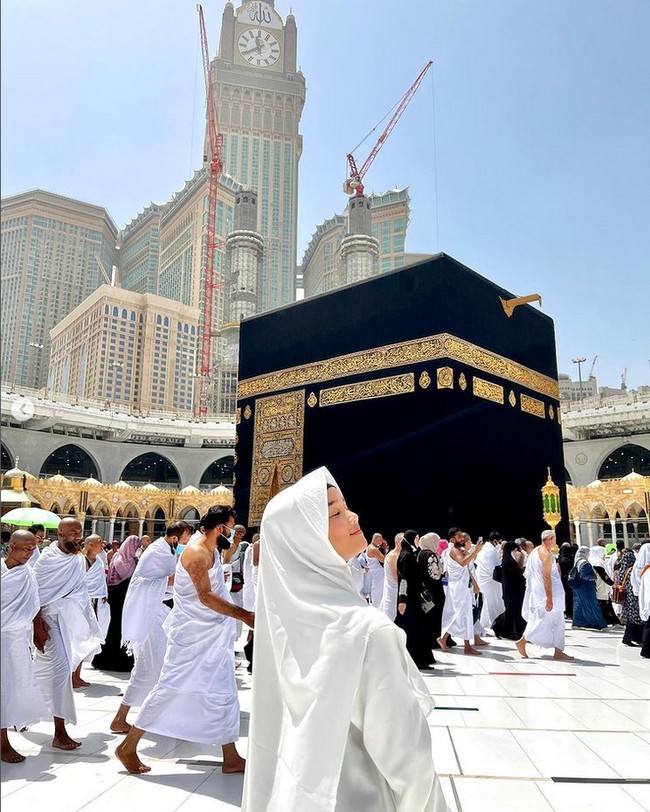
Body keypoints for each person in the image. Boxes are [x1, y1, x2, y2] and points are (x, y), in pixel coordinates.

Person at [241, 467, 448, 812]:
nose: (352, 516)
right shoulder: (366, 632)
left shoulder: (285, 628)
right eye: (334, 512)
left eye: (345, 506)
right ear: (304, 539)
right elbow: (410, 766)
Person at [115, 506, 255, 775]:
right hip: (191, 638)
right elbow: (205, 596)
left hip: (213, 636)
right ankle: (128, 746)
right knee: (169, 687)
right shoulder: (196, 553)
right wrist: (244, 615)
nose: (233, 532)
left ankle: (231, 756)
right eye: (231, 527)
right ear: (220, 528)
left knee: (223, 692)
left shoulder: (212, 549)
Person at [110, 522, 192, 734]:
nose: (185, 546)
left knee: (156, 667)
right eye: (184, 542)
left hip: (158, 614)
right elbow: (149, 583)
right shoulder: (157, 553)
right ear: (175, 539)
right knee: (149, 669)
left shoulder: (165, 551)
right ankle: (122, 718)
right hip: (149, 617)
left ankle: (151, 717)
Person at [32, 517, 103, 750]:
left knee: (51, 672)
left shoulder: (77, 559)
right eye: (72, 533)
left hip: (67, 622)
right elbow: (35, 597)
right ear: (60, 534)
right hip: (47, 622)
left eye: (79, 533)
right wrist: (38, 626)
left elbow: (80, 590)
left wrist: (88, 620)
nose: (76, 537)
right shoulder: (47, 560)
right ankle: (59, 731)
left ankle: (26, 710)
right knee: (62, 670)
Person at [1, 530, 49, 763]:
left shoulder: (28, 574)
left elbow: (34, 603)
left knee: (11, 687)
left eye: (33, 548)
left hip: (15, 640)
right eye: (26, 548)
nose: (31, 553)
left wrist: (39, 629)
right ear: (12, 546)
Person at [516, 530, 572, 660]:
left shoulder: (536, 551)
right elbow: (546, 577)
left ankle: (558, 650)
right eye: (554, 539)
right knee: (543, 621)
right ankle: (522, 641)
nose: (555, 541)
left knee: (556, 621)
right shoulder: (546, 555)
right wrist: (550, 598)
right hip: (548, 593)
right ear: (550, 539)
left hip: (542, 592)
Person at [92, 535, 141, 672]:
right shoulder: (123, 561)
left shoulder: (127, 559)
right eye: (136, 547)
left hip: (121, 600)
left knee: (119, 629)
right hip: (119, 599)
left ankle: (118, 659)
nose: (138, 550)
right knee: (115, 629)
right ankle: (111, 661)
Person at [437, 529, 487, 655]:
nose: (462, 538)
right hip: (458, 588)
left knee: (463, 616)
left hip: (462, 587)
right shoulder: (454, 550)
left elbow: (467, 568)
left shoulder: (460, 550)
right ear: (452, 539)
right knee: (461, 615)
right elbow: (463, 563)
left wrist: (474, 582)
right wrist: (475, 551)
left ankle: (450, 640)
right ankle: (459, 644)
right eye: (459, 536)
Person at [72, 534, 109, 688]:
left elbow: (101, 580)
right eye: (99, 542)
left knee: (86, 639)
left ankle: (78, 675)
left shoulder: (99, 561)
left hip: (96, 603)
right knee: (78, 639)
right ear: (90, 545)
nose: (102, 544)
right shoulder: (81, 561)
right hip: (82, 604)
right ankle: (72, 675)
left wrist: (104, 594)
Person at [395, 530, 435, 669]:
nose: (418, 541)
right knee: (413, 630)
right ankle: (415, 660)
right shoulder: (406, 556)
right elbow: (404, 579)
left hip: (413, 598)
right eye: (417, 538)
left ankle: (419, 659)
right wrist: (402, 600)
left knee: (416, 629)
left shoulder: (409, 554)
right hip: (409, 600)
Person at [492, 540, 527, 640]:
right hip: (511, 591)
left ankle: (509, 631)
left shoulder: (508, 561)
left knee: (513, 611)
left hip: (513, 591)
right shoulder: (508, 562)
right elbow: (514, 576)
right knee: (512, 611)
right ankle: (498, 626)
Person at [417, 532, 446, 650]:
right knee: (436, 615)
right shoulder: (430, 555)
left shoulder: (421, 553)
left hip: (426, 589)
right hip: (434, 589)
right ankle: (435, 639)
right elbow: (436, 574)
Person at [222, 524, 249, 641]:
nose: (240, 535)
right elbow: (225, 562)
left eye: (242, 533)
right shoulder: (231, 546)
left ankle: (235, 637)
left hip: (238, 578)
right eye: (237, 532)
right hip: (231, 580)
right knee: (235, 607)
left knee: (239, 605)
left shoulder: (241, 546)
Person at [474, 531, 505, 631]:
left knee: (488, 602)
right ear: (495, 541)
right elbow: (497, 564)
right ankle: (497, 623)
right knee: (495, 602)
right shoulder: (491, 551)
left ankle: (486, 622)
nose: (500, 544)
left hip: (484, 579)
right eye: (499, 542)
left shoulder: (484, 549)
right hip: (491, 580)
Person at [569, 547, 606, 630]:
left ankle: (578, 622)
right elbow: (585, 576)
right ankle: (597, 623)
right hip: (587, 588)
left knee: (579, 605)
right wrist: (594, 576)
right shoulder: (584, 563)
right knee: (592, 605)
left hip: (579, 588)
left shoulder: (577, 561)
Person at [618, 549, 645, 647]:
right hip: (635, 597)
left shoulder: (625, 569)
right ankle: (635, 638)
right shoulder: (635, 569)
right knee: (637, 618)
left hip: (628, 597)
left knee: (631, 618)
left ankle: (628, 638)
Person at [589, 545, 619, 625]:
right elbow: (603, 575)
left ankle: (611, 621)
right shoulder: (597, 562)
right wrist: (611, 583)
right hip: (601, 586)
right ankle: (611, 621)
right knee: (604, 604)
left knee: (604, 604)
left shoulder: (595, 561)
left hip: (599, 586)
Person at [379, 533, 402, 620]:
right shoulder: (393, 555)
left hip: (396, 589)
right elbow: (396, 577)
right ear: (397, 542)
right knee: (390, 615)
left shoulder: (399, 555)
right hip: (393, 589)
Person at [557, 542, 578, 618]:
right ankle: (570, 612)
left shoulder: (559, 558)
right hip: (568, 579)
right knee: (569, 595)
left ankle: (567, 611)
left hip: (562, 579)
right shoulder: (569, 559)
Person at [367, 533, 387, 607]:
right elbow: (384, 560)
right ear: (374, 539)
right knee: (379, 592)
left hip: (375, 572)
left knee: (378, 591)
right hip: (378, 573)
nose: (380, 542)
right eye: (379, 540)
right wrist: (385, 549)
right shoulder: (373, 549)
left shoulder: (370, 547)